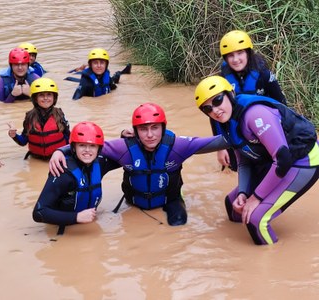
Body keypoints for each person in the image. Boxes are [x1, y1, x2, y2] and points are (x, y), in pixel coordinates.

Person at [49, 102, 230, 226]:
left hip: (170, 200)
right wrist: (60, 151)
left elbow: (217, 142)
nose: (150, 135)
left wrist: (247, 129)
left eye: (155, 128)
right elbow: (87, 145)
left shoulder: (179, 145)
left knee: (178, 225)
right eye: (143, 129)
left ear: (163, 128)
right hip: (134, 203)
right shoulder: (123, 147)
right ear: (135, 131)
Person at [194, 75, 319, 245]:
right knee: (232, 205)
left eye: (217, 100)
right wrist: (243, 193)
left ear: (230, 94)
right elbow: (244, 162)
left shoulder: (254, 114)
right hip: (280, 162)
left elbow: (282, 160)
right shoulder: (226, 123)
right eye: (207, 109)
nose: (214, 110)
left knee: (256, 220)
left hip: (304, 161)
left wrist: (256, 198)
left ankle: (272, 265)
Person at [214, 30, 287, 171]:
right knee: (235, 168)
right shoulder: (223, 79)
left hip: (263, 127)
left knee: (269, 166)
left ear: (248, 52)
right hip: (236, 130)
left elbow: (282, 105)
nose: (236, 59)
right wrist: (220, 148)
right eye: (230, 55)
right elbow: (216, 116)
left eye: (240, 53)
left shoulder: (263, 75)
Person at [32, 121, 120, 233]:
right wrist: (77, 217)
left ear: (99, 148)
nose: (87, 150)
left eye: (92, 145)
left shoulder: (101, 163)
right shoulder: (62, 171)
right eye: (82, 145)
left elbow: (127, 152)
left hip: (89, 226)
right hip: (64, 230)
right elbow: (39, 213)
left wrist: (128, 134)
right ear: (73, 147)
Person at [7, 77, 70, 160]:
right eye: (41, 95)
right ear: (35, 99)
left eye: (49, 94)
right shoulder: (29, 117)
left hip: (57, 159)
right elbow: (23, 141)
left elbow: (68, 139)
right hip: (35, 159)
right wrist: (14, 135)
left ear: (54, 98)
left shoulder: (60, 115)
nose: (45, 98)